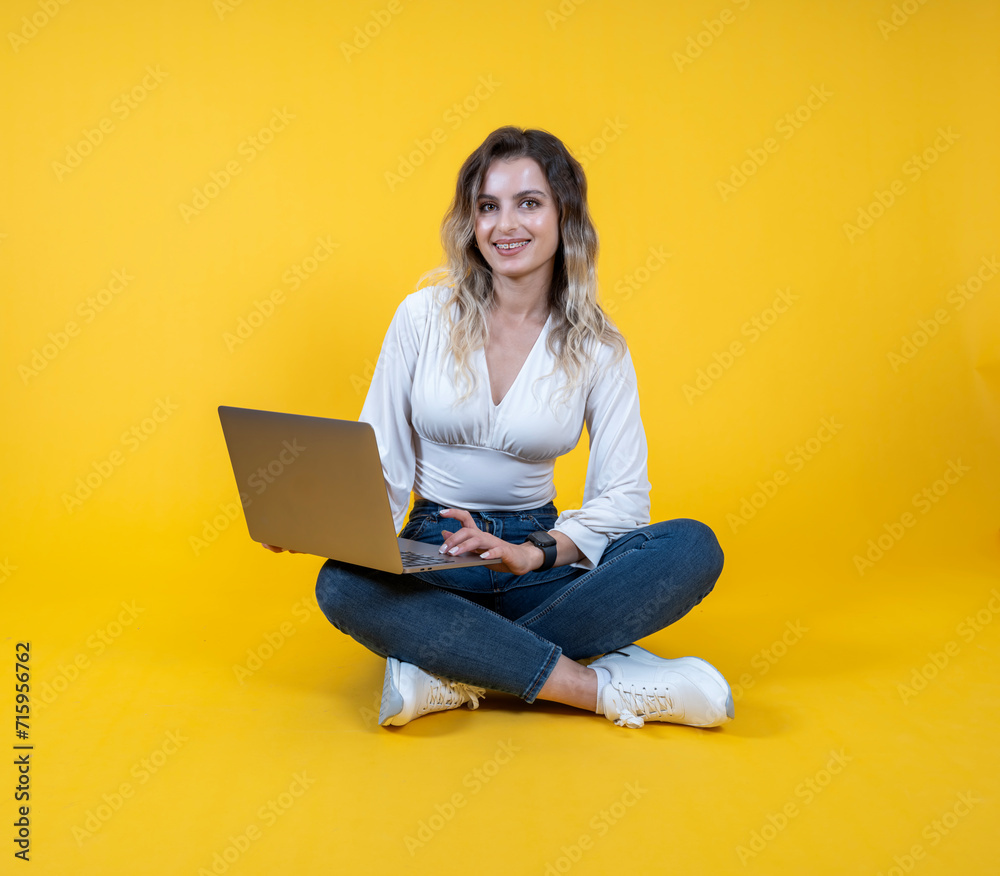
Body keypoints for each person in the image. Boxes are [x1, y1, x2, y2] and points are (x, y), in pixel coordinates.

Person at [265, 126, 732, 730]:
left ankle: (447, 664)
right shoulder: (422, 317)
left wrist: (531, 553)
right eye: (488, 206)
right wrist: (326, 524)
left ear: (565, 215)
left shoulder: (598, 347)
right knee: (342, 586)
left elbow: (624, 500)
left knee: (691, 547)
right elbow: (378, 459)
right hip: (434, 555)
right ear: (471, 222)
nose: (504, 224)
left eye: (528, 203)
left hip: (537, 560)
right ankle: (594, 687)